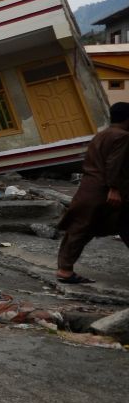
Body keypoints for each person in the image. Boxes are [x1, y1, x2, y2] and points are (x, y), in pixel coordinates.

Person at [54, 102, 129, 284]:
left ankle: (64, 269)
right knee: (89, 228)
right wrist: (114, 188)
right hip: (104, 191)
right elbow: (114, 164)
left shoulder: (101, 135)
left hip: (88, 188)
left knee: (80, 228)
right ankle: (64, 270)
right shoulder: (122, 136)